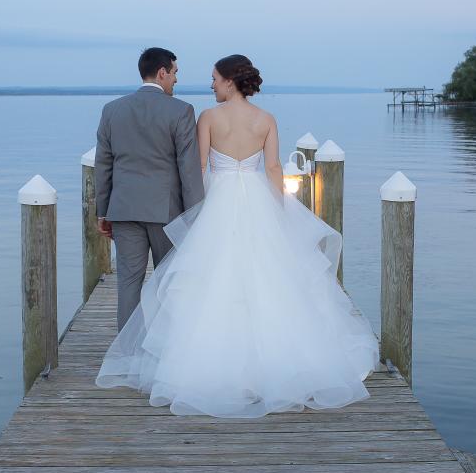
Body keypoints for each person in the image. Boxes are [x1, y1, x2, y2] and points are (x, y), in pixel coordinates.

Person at [96, 54, 379, 418]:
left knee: (197, 281)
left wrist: (193, 214)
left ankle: (157, 357)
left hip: (212, 203)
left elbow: (196, 168)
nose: (210, 84)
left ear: (229, 80)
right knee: (267, 279)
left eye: (214, 78)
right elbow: (274, 167)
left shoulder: (207, 118)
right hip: (257, 201)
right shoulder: (266, 120)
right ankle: (274, 362)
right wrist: (278, 214)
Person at [93, 47, 204, 330]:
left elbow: (103, 164)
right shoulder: (181, 111)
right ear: (162, 72)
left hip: (124, 209)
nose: (176, 80)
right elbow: (188, 170)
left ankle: (127, 356)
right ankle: (163, 352)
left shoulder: (112, 110)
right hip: (166, 212)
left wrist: (102, 213)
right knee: (168, 283)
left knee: (128, 283)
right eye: (175, 73)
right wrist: (194, 217)